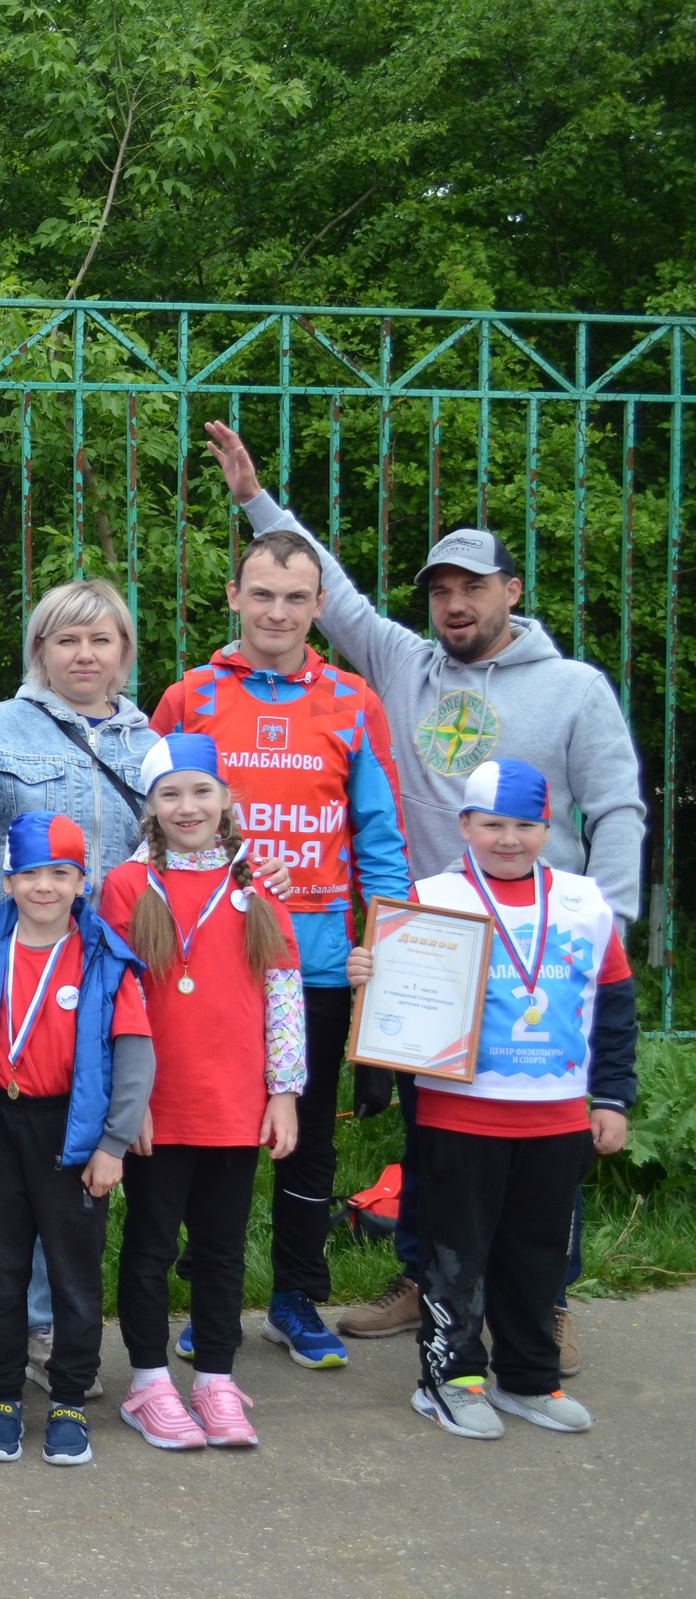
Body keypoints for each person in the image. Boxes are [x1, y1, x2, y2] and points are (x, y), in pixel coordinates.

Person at [204, 421, 645, 1357]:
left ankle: (542, 1299)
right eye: (440, 589)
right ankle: (425, 1278)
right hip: (433, 941)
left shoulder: (574, 688)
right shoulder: (407, 667)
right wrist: (253, 499)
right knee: (436, 1127)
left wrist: (607, 922)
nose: (453, 604)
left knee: (542, 1129)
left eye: (471, 587)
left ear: (510, 593)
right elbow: (330, 594)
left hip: (547, 949)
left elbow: (617, 809)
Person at [150, 526, 408, 1372]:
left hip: (322, 961)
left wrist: (393, 944)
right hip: (203, 959)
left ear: (319, 608)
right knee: (201, 1133)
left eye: (297, 598)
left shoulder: (354, 701)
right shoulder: (189, 697)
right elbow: (145, 821)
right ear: (234, 598)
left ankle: (297, 1295)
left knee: (308, 1138)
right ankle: (206, 1297)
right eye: (262, 593)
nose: (278, 611)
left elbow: (379, 832)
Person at [347, 762, 636, 1437]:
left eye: (526, 826)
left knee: (537, 1256)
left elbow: (616, 1007)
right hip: (459, 1115)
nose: (510, 839)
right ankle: (450, 1380)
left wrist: (613, 1099)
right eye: (494, 825)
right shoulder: (431, 896)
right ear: (465, 826)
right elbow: (394, 996)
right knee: (455, 1257)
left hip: (557, 1115)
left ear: (549, 828)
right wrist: (370, 971)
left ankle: (531, 1382)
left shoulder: (585, 903)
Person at [0, 578, 151, 1409]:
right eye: (66, 640)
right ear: (39, 651)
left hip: (94, 988)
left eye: (101, 641)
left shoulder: (154, 745)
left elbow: (186, 845)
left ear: (124, 653)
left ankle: (49, 1327)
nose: (84, 656)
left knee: (68, 1152)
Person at [99, 736, 303, 1451]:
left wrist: (284, 1092)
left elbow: (283, 991)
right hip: (161, 1107)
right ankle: (150, 1382)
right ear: (150, 807)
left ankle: (216, 1377)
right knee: (150, 1247)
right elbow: (117, 1001)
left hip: (236, 1104)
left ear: (226, 801)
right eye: (170, 794)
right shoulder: (126, 886)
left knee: (221, 1250)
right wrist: (133, 1102)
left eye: (201, 792)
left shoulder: (255, 886)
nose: (188, 807)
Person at [0, 813, 153, 1469]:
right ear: (6, 879)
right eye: (29, 873)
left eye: (59, 873)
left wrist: (113, 1144)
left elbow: (135, 1056)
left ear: (80, 879)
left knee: (73, 1277)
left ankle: (67, 1399)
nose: (43, 887)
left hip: (73, 1130)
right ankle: (2, 1396)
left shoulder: (103, 954)